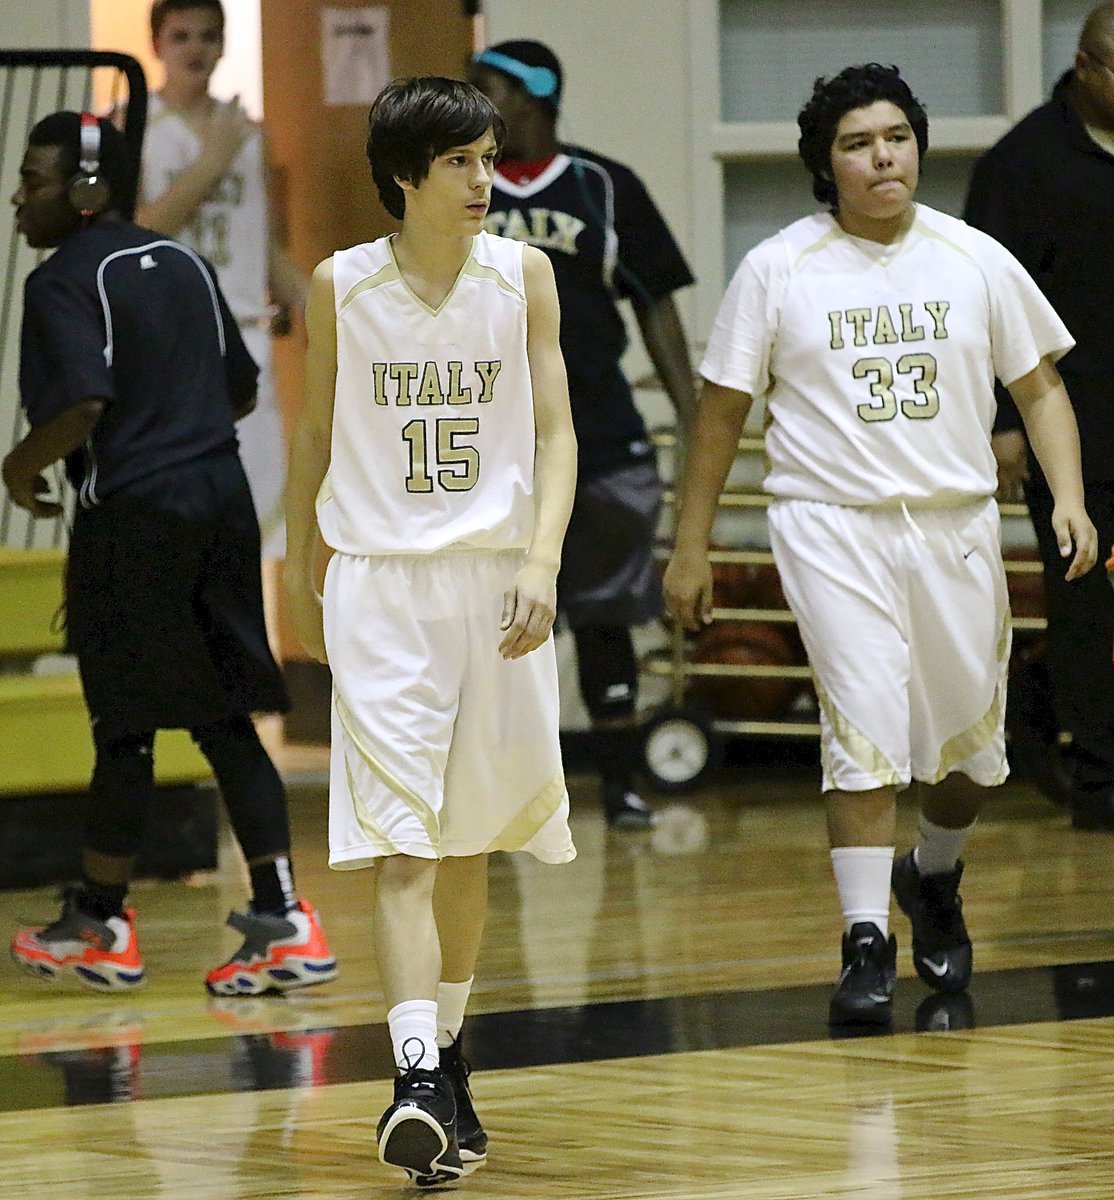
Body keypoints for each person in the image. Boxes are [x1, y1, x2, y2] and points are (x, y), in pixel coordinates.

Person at [664, 64, 1097, 1027]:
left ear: (918, 145)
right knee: (860, 732)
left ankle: (931, 876)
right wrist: (690, 547)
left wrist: (1069, 497)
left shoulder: (973, 257)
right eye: (858, 144)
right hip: (829, 526)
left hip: (956, 525)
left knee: (966, 760)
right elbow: (721, 414)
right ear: (828, 165)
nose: (882, 156)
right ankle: (865, 936)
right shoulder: (779, 267)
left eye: (895, 136)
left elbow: (1041, 392)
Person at [284, 78, 577, 1184]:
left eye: (488, 158)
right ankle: (410, 1077)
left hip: (496, 579)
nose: (483, 180)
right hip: (383, 585)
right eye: (460, 162)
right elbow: (313, 428)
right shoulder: (342, 287)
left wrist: (541, 561)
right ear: (406, 174)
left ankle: (445, 1056)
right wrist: (294, 558)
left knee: (466, 841)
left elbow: (556, 433)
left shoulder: (524, 278)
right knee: (401, 841)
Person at [4, 112, 336, 998]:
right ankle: (283, 919)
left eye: (33, 181)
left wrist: (17, 467)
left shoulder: (60, 282)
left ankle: (102, 923)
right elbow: (239, 387)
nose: (17, 197)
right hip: (220, 501)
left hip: (139, 516)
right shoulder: (182, 263)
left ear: (85, 190)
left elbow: (79, 407)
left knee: (123, 723)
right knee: (226, 715)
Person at [470, 40, 697, 830]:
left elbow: (657, 305)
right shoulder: (460, 187)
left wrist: (695, 417)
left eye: (486, 87)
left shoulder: (604, 186)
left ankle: (621, 784)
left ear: (531, 96)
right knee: (501, 621)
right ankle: (504, 794)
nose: (475, 100)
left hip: (599, 434)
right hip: (492, 444)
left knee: (603, 615)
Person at [964, 3, 1114, 830]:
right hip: (1074, 430)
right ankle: (1095, 780)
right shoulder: (1022, 163)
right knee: (1088, 607)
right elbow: (987, 305)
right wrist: (1002, 421)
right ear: (1085, 69)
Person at [133, 0, 307, 624]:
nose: (195, 49)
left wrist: (318, 306)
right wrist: (211, 161)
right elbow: (139, 232)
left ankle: (237, 665)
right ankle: (177, 652)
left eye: (208, 35)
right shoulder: (138, 126)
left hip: (246, 335)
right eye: (181, 36)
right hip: (168, 336)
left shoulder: (246, 131)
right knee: (176, 509)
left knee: (251, 513)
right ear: (157, 43)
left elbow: (262, 246)